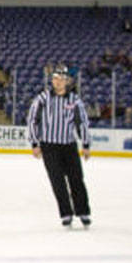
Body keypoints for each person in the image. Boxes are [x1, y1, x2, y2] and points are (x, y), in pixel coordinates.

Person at [27, 65, 92, 228]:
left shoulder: (75, 100)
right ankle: (66, 214)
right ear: (52, 80)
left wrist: (85, 144)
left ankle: (83, 211)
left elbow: (82, 122)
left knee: (76, 179)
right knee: (58, 181)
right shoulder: (43, 98)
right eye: (56, 78)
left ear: (67, 81)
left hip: (69, 146)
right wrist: (35, 143)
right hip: (49, 146)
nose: (58, 82)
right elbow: (32, 120)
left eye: (62, 79)